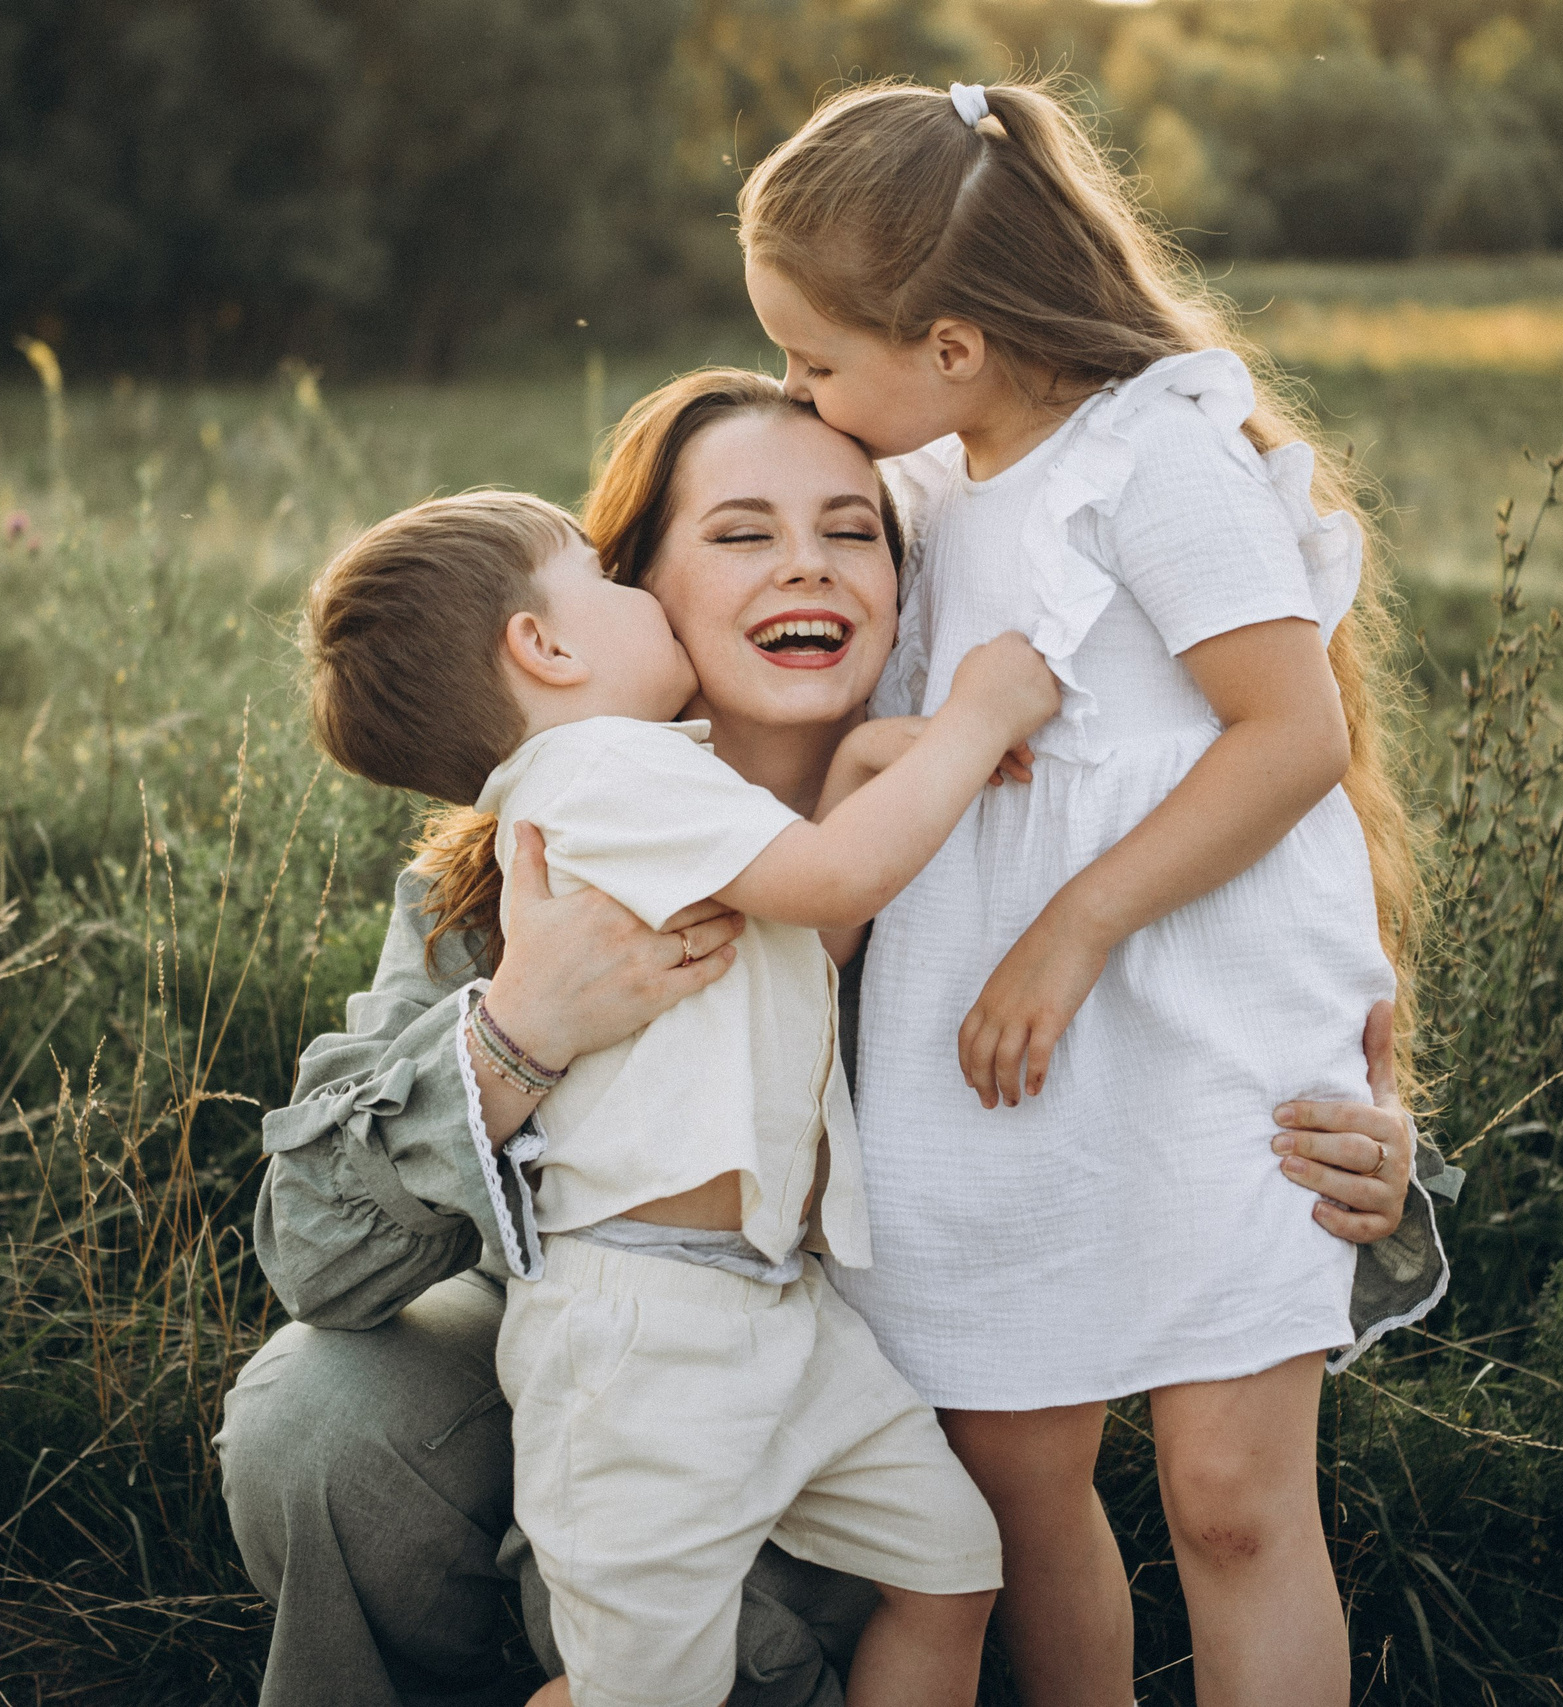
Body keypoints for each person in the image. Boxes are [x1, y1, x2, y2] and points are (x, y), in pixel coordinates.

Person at [214, 369, 1457, 1707]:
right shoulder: (531, 857)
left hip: (843, 1386)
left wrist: (1377, 1155)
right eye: (740, 533)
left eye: (853, 531)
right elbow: (313, 1249)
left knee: (825, 1574)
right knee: (316, 1420)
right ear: (638, 588)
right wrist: (520, 1030)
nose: (805, 565)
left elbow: (1200, 1053)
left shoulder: (1001, 834)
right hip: (607, 1329)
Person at [734, 80, 1445, 1706]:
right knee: (1013, 1485)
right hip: (984, 1059)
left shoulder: (1151, 456)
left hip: (1208, 1022)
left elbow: (1293, 734)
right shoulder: (918, 498)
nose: (796, 393)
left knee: (1232, 1494)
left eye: (815, 359)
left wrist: (1074, 923)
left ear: (953, 346)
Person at [297, 487, 1061, 1706]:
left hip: (770, 1305)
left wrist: (856, 769)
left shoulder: (648, 781)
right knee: (648, 1688)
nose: (799, 566)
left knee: (951, 1566)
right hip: (647, 1323)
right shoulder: (602, 771)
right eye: (610, 576)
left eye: (847, 529)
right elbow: (832, 881)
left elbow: (794, 952)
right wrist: (977, 719)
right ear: (544, 646)